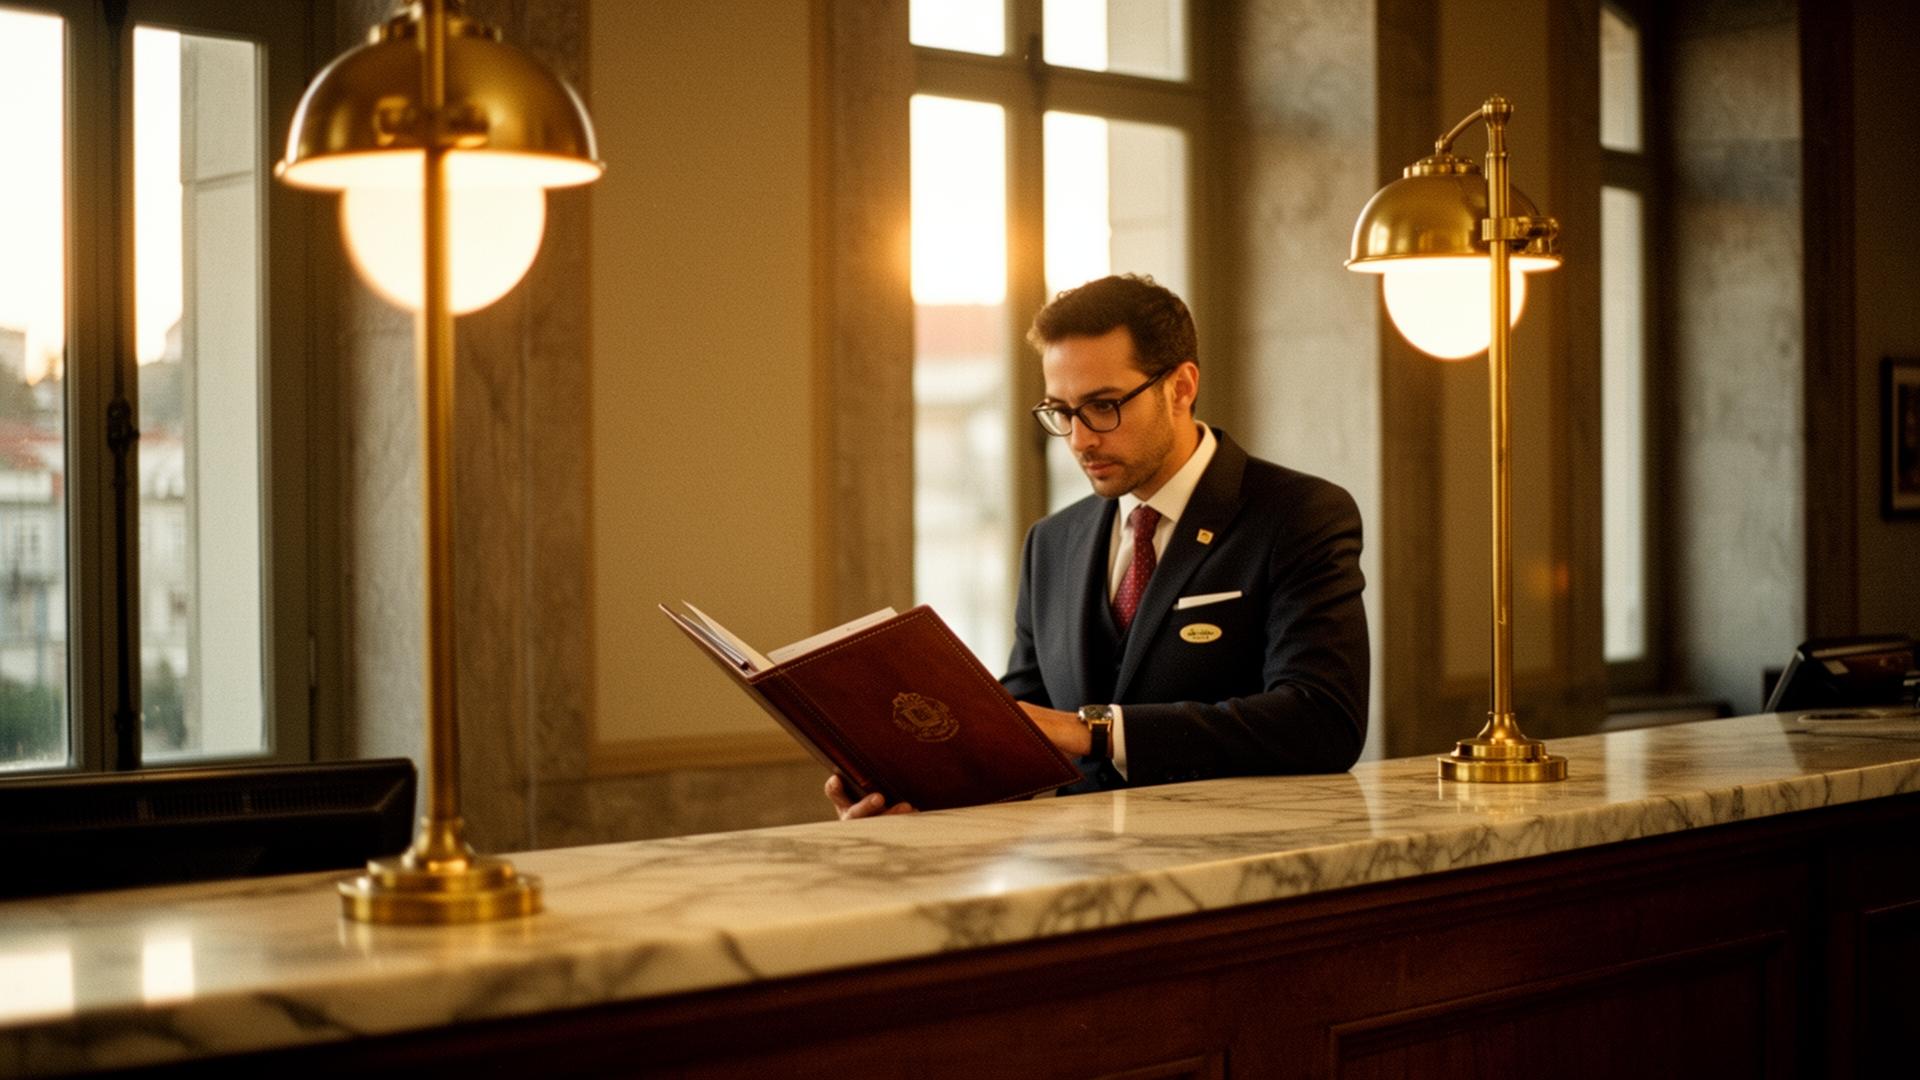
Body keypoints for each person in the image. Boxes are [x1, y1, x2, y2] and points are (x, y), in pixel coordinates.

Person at [829, 274, 1368, 818]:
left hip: (1240, 872)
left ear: (1181, 387)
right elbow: (1019, 728)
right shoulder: (1052, 543)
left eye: (1104, 405)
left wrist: (1095, 731)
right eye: (1061, 412)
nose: (1081, 439)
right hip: (1078, 882)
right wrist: (912, 794)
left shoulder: (1299, 515)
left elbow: (1322, 721)